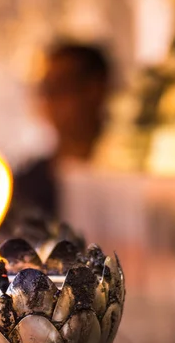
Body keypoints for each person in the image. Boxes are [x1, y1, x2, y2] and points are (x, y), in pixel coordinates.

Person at [14, 42, 111, 218]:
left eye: (61, 86)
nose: (50, 100)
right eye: (46, 89)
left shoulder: (122, 173)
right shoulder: (30, 184)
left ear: (95, 89)